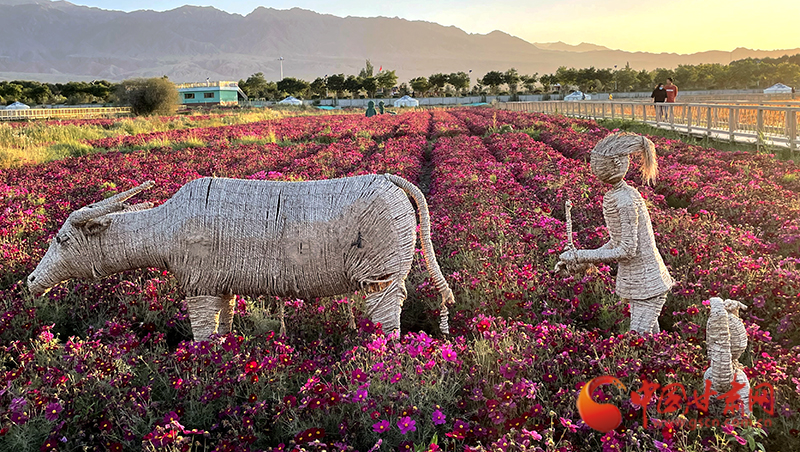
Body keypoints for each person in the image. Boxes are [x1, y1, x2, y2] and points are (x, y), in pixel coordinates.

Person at [556, 132, 674, 334]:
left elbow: (627, 249)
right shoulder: (616, 196)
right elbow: (615, 242)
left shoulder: (626, 200)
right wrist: (581, 260)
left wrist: (581, 255)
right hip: (639, 284)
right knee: (652, 339)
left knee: (639, 339)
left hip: (647, 282)